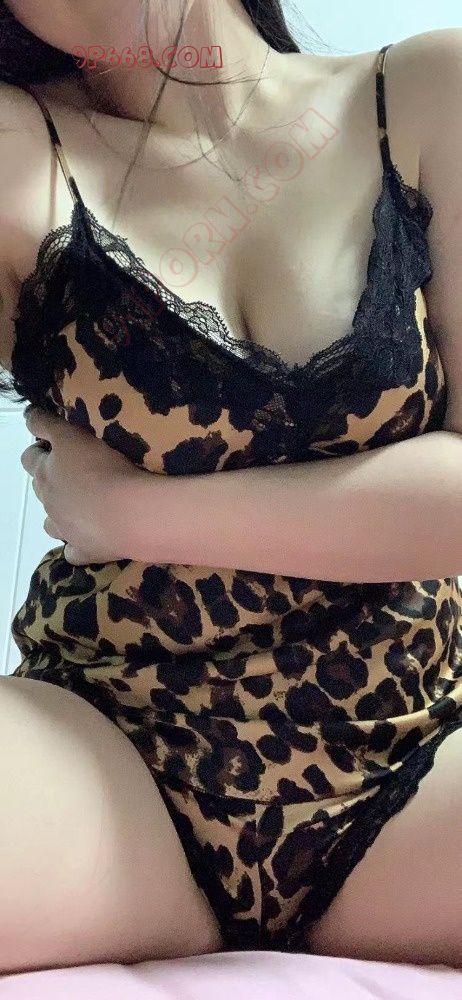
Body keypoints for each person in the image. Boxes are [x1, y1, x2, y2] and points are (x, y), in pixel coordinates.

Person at [0, 0, 461, 976]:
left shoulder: (429, 91)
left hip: (414, 753)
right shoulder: (16, 147)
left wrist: (131, 513)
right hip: (117, 765)